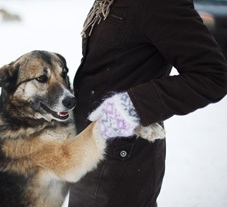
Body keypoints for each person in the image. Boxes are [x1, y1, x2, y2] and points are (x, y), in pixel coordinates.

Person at [68, 0, 227, 206]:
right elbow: (108, 68)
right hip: (87, 146)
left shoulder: (159, 4)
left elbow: (213, 75)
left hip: (120, 159)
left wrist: (129, 107)